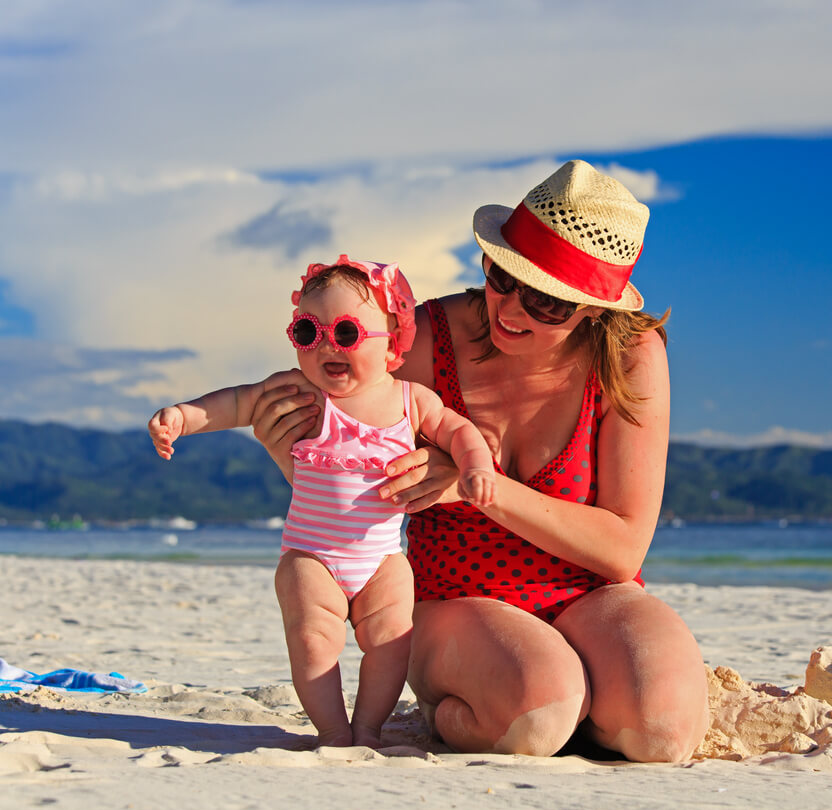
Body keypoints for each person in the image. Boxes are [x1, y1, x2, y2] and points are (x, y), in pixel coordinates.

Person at [251, 161, 710, 762]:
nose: (511, 310)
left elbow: (623, 548)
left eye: (546, 303)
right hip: (453, 597)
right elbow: (342, 486)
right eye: (502, 276)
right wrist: (290, 449)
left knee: (663, 729)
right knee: (537, 712)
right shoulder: (419, 340)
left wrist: (473, 484)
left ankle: (582, 699)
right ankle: (529, 700)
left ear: (595, 308)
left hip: (590, 593)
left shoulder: (628, 355)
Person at [149, 256, 496, 749]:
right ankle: (333, 730)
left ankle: (368, 729)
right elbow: (239, 402)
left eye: (348, 333)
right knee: (313, 640)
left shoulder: (411, 400)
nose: (328, 346)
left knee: (393, 641)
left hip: (382, 559)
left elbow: (459, 431)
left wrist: (476, 467)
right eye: (309, 332)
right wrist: (182, 417)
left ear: (393, 343)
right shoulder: (302, 392)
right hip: (311, 556)